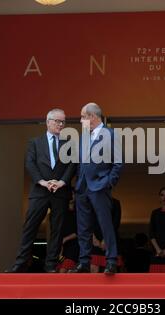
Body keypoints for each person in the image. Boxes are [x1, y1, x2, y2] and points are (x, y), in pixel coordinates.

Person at [9, 108, 76, 273]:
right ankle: (20, 264)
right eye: (57, 121)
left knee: (57, 229)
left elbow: (73, 164)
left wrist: (61, 182)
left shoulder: (69, 143)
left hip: (60, 192)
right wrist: (43, 182)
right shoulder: (35, 142)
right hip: (40, 190)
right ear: (48, 122)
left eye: (63, 122)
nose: (60, 124)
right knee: (30, 227)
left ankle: (51, 265)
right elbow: (30, 164)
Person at [69, 102, 123, 275]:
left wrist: (108, 182)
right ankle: (84, 261)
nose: (81, 120)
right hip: (82, 187)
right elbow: (80, 163)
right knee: (83, 227)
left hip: (100, 186)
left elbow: (118, 162)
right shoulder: (84, 137)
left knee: (105, 223)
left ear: (92, 116)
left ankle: (111, 260)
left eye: (83, 117)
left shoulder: (111, 134)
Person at [90, 197, 123, 273]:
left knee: (111, 269)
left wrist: (106, 239)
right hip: (94, 238)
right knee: (94, 266)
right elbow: (86, 221)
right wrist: (93, 238)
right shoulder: (90, 201)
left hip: (111, 238)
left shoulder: (115, 202)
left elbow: (115, 223)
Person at [56, 192, 79, 273]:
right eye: (69, 194)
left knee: (64, 270)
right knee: (59, 269)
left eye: (73, 194)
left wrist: (65, 239)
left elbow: (80, 231)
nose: (71, 196)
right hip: (62, 247)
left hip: (74, 245)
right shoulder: (62, 212)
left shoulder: (79, 212)